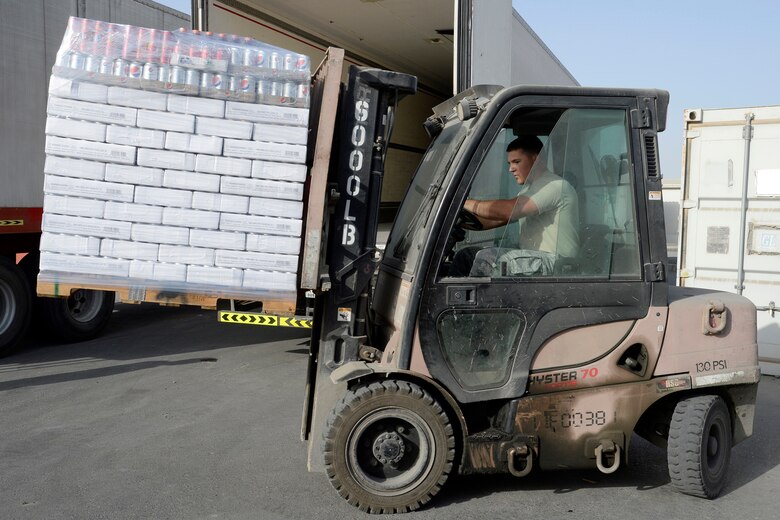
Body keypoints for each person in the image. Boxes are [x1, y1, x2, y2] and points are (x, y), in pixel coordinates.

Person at [451, 135, 579, 276]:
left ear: (536, 159)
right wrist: (459, 221)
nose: (511, 169)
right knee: (467, 256)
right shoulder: (529, 190)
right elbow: (497, 219)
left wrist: (463, 202)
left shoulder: (554, 186)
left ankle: (473, 297)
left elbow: (510, 210)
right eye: (509, 163)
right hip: (534, 258)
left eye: (516, 162)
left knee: (486, 258)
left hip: (556, 262)